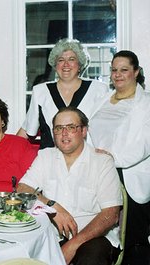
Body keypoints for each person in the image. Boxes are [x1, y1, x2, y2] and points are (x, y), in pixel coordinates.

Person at [18, 106, 122, 265]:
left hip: (94, 236)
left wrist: (73, 245)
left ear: (84, 131)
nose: (64, 133)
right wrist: (52, 206)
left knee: (91, 259)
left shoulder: (102, 162)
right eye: (59, 128)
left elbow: (110, 214)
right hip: (52, 234)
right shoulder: (46, 156)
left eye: (71, 127)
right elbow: (23, 188)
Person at [89, 50, 150, 264]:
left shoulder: (146, 103)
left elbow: (144, 145)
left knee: (134, 238)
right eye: (114, 70)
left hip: (129, 176)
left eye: (124, 70)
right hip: (100, 172)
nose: (118, 75)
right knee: (103, 234)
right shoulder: (103, 98)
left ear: (136, 72)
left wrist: (112, 158)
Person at [17, 38, 109, 149]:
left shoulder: (98, 90)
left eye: (71, 59)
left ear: (80, 64)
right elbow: (27, 130)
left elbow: (108, 130)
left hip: (88, 160)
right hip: (50, 160)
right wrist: (6, 152)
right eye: (61, 60)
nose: (66, 64)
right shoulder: (40, 91)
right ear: (55, 65)